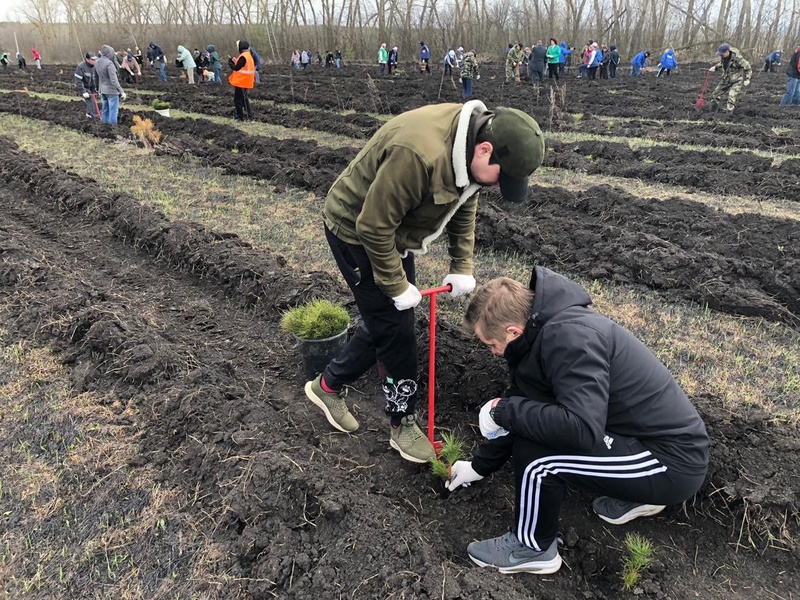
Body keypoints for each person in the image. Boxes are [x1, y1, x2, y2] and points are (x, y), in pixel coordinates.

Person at [305, 102, 546, 463]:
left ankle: (328, 385)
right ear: (485, 150)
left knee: (388, 320)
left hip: (393, 232)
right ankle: (403, 424)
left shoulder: (473, 148)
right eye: (502, 176)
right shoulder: (420, 154)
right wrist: (394, 284)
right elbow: (372, 226)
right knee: (396, 331)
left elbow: (466, 197)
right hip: (356, 232)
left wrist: (461, 264)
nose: (498, 186)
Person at [448, 271, 709, 574]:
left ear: (513, 331)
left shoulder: (571, 339)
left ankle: (532, 547)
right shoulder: (542, 333)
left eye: (492, 344)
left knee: (538, 460)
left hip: (672, 462)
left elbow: (581, 430)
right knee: (533, 423)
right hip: (641, 440)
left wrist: (504, 411)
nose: (492, 353)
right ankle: (638, 494)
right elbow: (524, 409)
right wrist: (478, 467)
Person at [708, 43, 752, 113]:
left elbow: (748, 68)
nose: (720, 55)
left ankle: (728, 115)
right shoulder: (724, 57)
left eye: (722, 53)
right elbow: (722, 64)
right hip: (726, 79)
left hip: (737, 81)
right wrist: (715, 67)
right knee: (715, 94)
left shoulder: (738, 59)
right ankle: (712, 113)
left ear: (727, 52)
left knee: (731, 97)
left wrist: (747, 79)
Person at [93, 45, 126, 125]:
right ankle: (113, 128)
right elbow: (114, 80)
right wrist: (121, 91)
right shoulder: (109, 64)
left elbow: (95, 77)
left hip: (102, 91)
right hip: (111, 91)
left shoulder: (97, 62)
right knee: (113, 111)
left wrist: (97, 88)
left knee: (105, 110)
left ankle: (104, 127)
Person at [228, 39, 255, 121]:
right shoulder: (248, 55)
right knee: (244, 99)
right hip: (246, 81)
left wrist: (230, 63)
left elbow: (237, 68)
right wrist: (235, 60)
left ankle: (241, 117)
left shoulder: (243, 56)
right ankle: (249, 117)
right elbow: (243, 65)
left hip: (242, 81)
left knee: (238, 100)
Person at [75, 52, 99, 119]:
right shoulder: (81, 67)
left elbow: (98, 78)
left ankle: (88, 114)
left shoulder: (96, 66)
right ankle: (94, 116)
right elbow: (78, 81)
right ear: (87, 59)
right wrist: (83, 91)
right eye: (92, 60)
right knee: (90, 100)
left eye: (95, 59)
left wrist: (98, 89)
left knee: (94, 101)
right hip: (85, 87)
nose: (94, 61)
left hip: (93, 87)